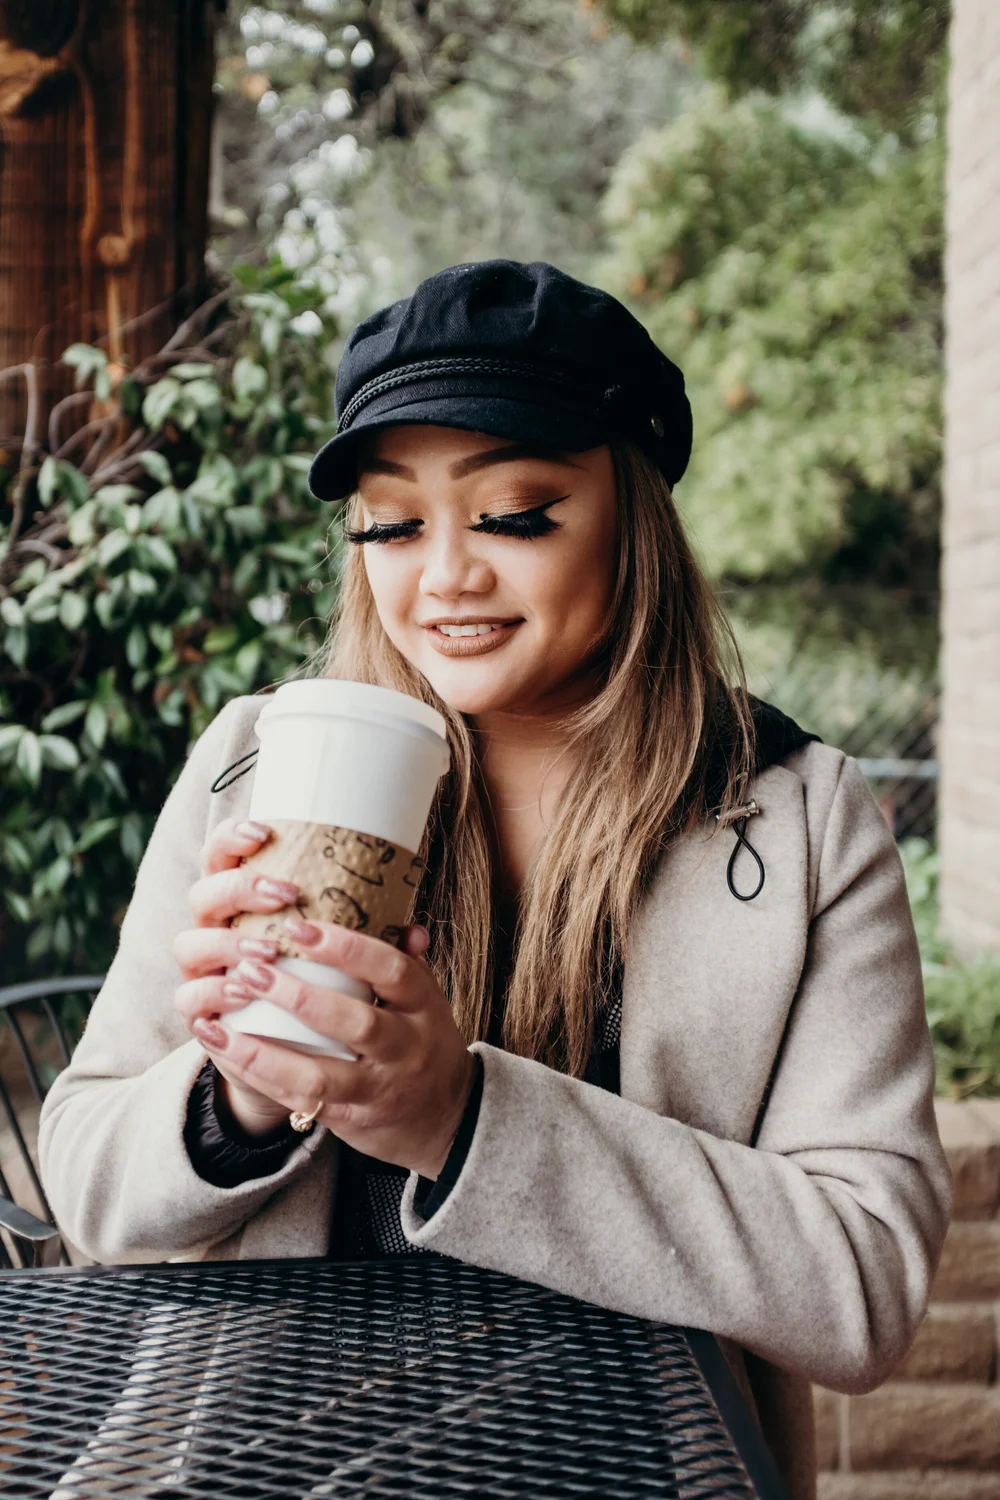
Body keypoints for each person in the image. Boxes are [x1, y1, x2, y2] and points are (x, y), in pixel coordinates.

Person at [39, 260, 951, 1500]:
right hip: (268, 1457)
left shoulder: (795, 818)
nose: (445, 576)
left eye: (514, 513)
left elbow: (865, 1284)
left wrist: (463, 1122)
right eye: (390, 523)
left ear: (633, 516)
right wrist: (236, 1094)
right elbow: (85, 1185)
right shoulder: (259, 762)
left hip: (634, 1468)